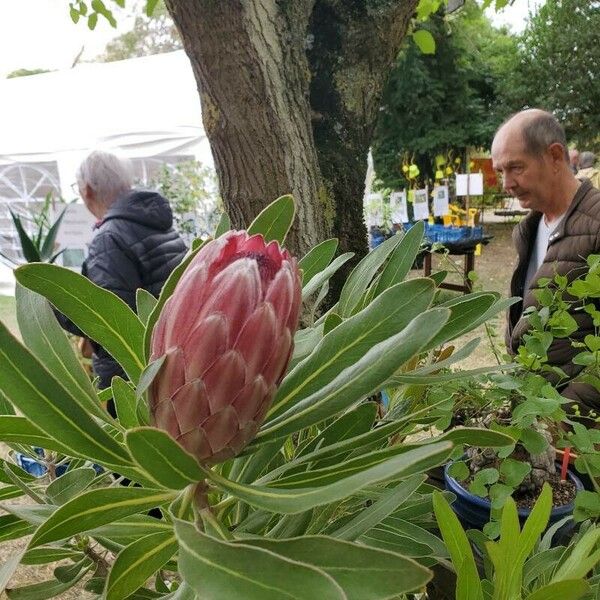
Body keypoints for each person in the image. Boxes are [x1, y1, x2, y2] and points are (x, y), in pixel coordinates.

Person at [492, 109, 600, 410]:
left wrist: (562, 415)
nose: (506, 183)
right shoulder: (529, 228)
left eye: (515, 167)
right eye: (501, 171)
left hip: (576, 436)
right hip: (535, 417)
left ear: (554, 156)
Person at [58, 150, 187, 392]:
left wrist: (51, 299)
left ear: (86, 190)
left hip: (133, 378)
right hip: (171, 356)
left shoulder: (109, 238)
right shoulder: (157, 222)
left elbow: (108, 321)